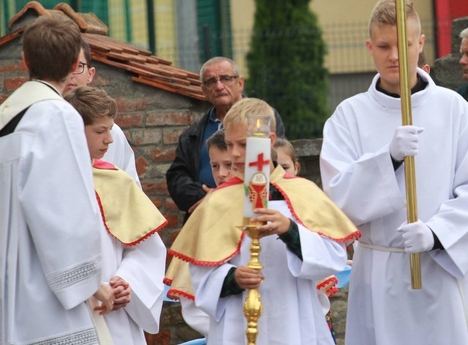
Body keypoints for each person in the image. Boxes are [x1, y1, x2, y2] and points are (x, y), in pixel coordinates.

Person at [320, 0, 468, 345]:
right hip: (380, 273)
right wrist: (387, 160)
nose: (395, 56)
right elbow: (337, 200)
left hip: (440, 270)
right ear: (370, 48)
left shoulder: (453, 109)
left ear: (421, 43)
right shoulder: (348, 116)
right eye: (384, 46)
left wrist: (437, 233)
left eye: (404, 45)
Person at [168, 98, 359, 344]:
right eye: (229, 144)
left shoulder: (303, 192)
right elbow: (201, 275)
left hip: (295, 321)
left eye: (244, 144)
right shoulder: (218, 201)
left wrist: (291, 232)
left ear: (268, 141)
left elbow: (333, 258)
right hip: (237, 324)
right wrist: (231, 279)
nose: (234, 153)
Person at [1, 14, 114, 344]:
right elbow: (64, 210)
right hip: (45, 297)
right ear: (73, 62)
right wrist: (90, 282)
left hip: (11, 286)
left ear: (24, 60)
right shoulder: (57, 114)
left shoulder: (10, 117)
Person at [65, 86, 168, 344]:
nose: (110, 140)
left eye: (110, 129)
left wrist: (127, 281)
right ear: (73, 131)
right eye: (100, 131)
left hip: (117, 319)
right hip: (68, 313)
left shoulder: (117, 181)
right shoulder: (53, 184)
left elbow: (149, 250)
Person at [166, 56, 285, 221]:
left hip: (257, 211)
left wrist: (226, 196)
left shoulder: (263, 120)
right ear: (204, 90)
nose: (219, 86)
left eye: (225, 79)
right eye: (211, 81)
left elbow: (277, 162)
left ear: (240, 83)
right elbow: (176, 177)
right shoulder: (192, 134)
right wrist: (204, 196)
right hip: (209, 217)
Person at [64, 40, 140, 185]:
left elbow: (131, 193)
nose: (70, 74)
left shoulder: (114, 135)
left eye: (78, 66)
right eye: (64, 67)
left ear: (90, 74)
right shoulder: (42, 130)